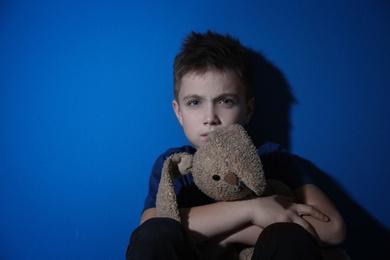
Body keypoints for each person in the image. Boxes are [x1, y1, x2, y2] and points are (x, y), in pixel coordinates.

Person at [126, 30, 346, 260]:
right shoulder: (175, 165)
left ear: (248, 110)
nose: (210, 117)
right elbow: (151, 229)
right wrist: (252, 211)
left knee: (287, 235)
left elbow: (333, 228)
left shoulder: (273, 159)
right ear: (179, 112)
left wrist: (233, 235)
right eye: (194, 102)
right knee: (156, 233)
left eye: (225, 101)